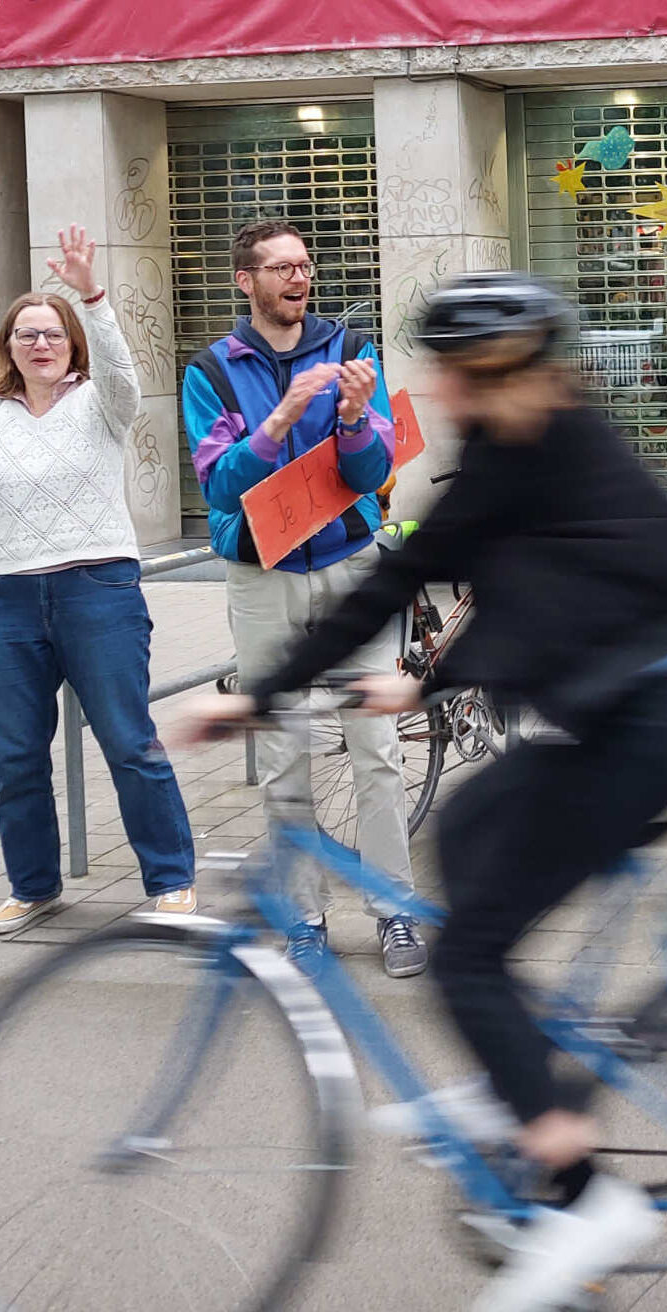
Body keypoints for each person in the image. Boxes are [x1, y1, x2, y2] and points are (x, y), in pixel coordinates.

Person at [177, 271, 667, 1309]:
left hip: (659, 719)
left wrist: (261, 693)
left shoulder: (540, 445)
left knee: (467, 951)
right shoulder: (525, 443)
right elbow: (504, 575)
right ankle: (511, 1082)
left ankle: (580, 1197)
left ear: (494, 370)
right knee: (469, 829)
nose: (433, 384)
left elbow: (416, 573)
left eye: (450, 365)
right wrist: (427, 675)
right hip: (639, 704)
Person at [0, 227, 198, 932]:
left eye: (52, 333)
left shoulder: (101, 405)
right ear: (8, 347)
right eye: (26, 334)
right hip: (9, 597)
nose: (39, 344)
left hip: (98, 589)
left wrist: (92, 295)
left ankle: (172, 878)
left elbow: (127, 375)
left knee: (127, 739)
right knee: (17, 755)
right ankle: (34, 886)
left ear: (71, 342)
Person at [181, 220, 424, 978]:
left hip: (349, 564)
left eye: (305, 265)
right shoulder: (212, 372)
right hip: (262, 576)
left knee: (376, 748)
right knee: (283, 750)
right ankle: (306, 918)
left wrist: (353, 418)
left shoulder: (351, 350)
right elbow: (220, 485)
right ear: (244, 281)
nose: (299, 278)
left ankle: (394, 913)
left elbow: (374, 470)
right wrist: (281, 420)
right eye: (281, 267)